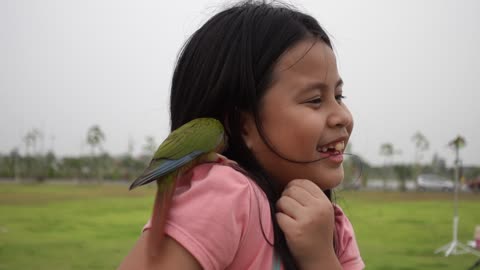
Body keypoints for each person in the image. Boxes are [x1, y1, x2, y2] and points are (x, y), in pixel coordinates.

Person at [118, 1, 364, 269]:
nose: (342, 116)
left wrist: (321, 257)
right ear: (242, 124)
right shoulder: (227, 195)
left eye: (339, 96)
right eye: (315, 99)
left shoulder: (334, 227)